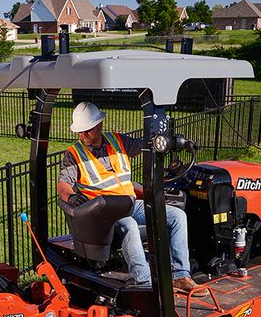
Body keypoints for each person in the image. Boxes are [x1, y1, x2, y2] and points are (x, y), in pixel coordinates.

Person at [57, 101, 197, 292]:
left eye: (87, 130)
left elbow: (147, 146)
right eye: (80, 131)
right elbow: (63, 185)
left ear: (99, 125)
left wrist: (168, 142)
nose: (83, 135)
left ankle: (180, 275)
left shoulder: (118, 141)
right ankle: (145, 283)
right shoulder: (74, 154)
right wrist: (72, 197)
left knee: (177, 216)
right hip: (104, 212)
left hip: (130, 203)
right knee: (129, 225)